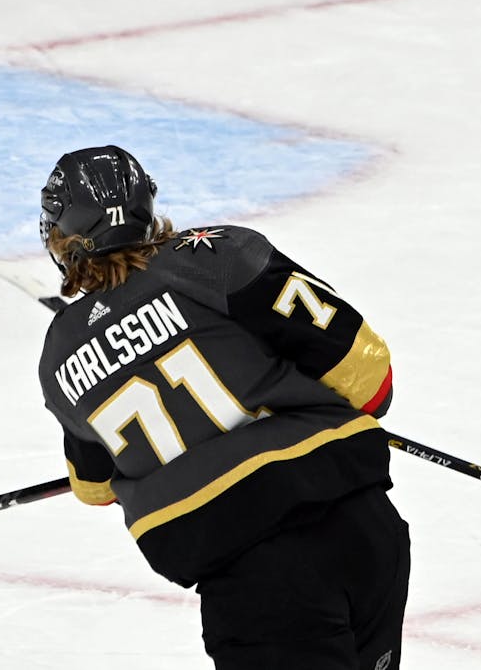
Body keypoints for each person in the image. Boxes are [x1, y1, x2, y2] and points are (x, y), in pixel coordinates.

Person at [36, 145, 408, 669]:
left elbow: (94, 487)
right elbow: (371, 381)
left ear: (63, 238)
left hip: (258, 584)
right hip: (365, 531)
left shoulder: (59, 356)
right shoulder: (217, 256)